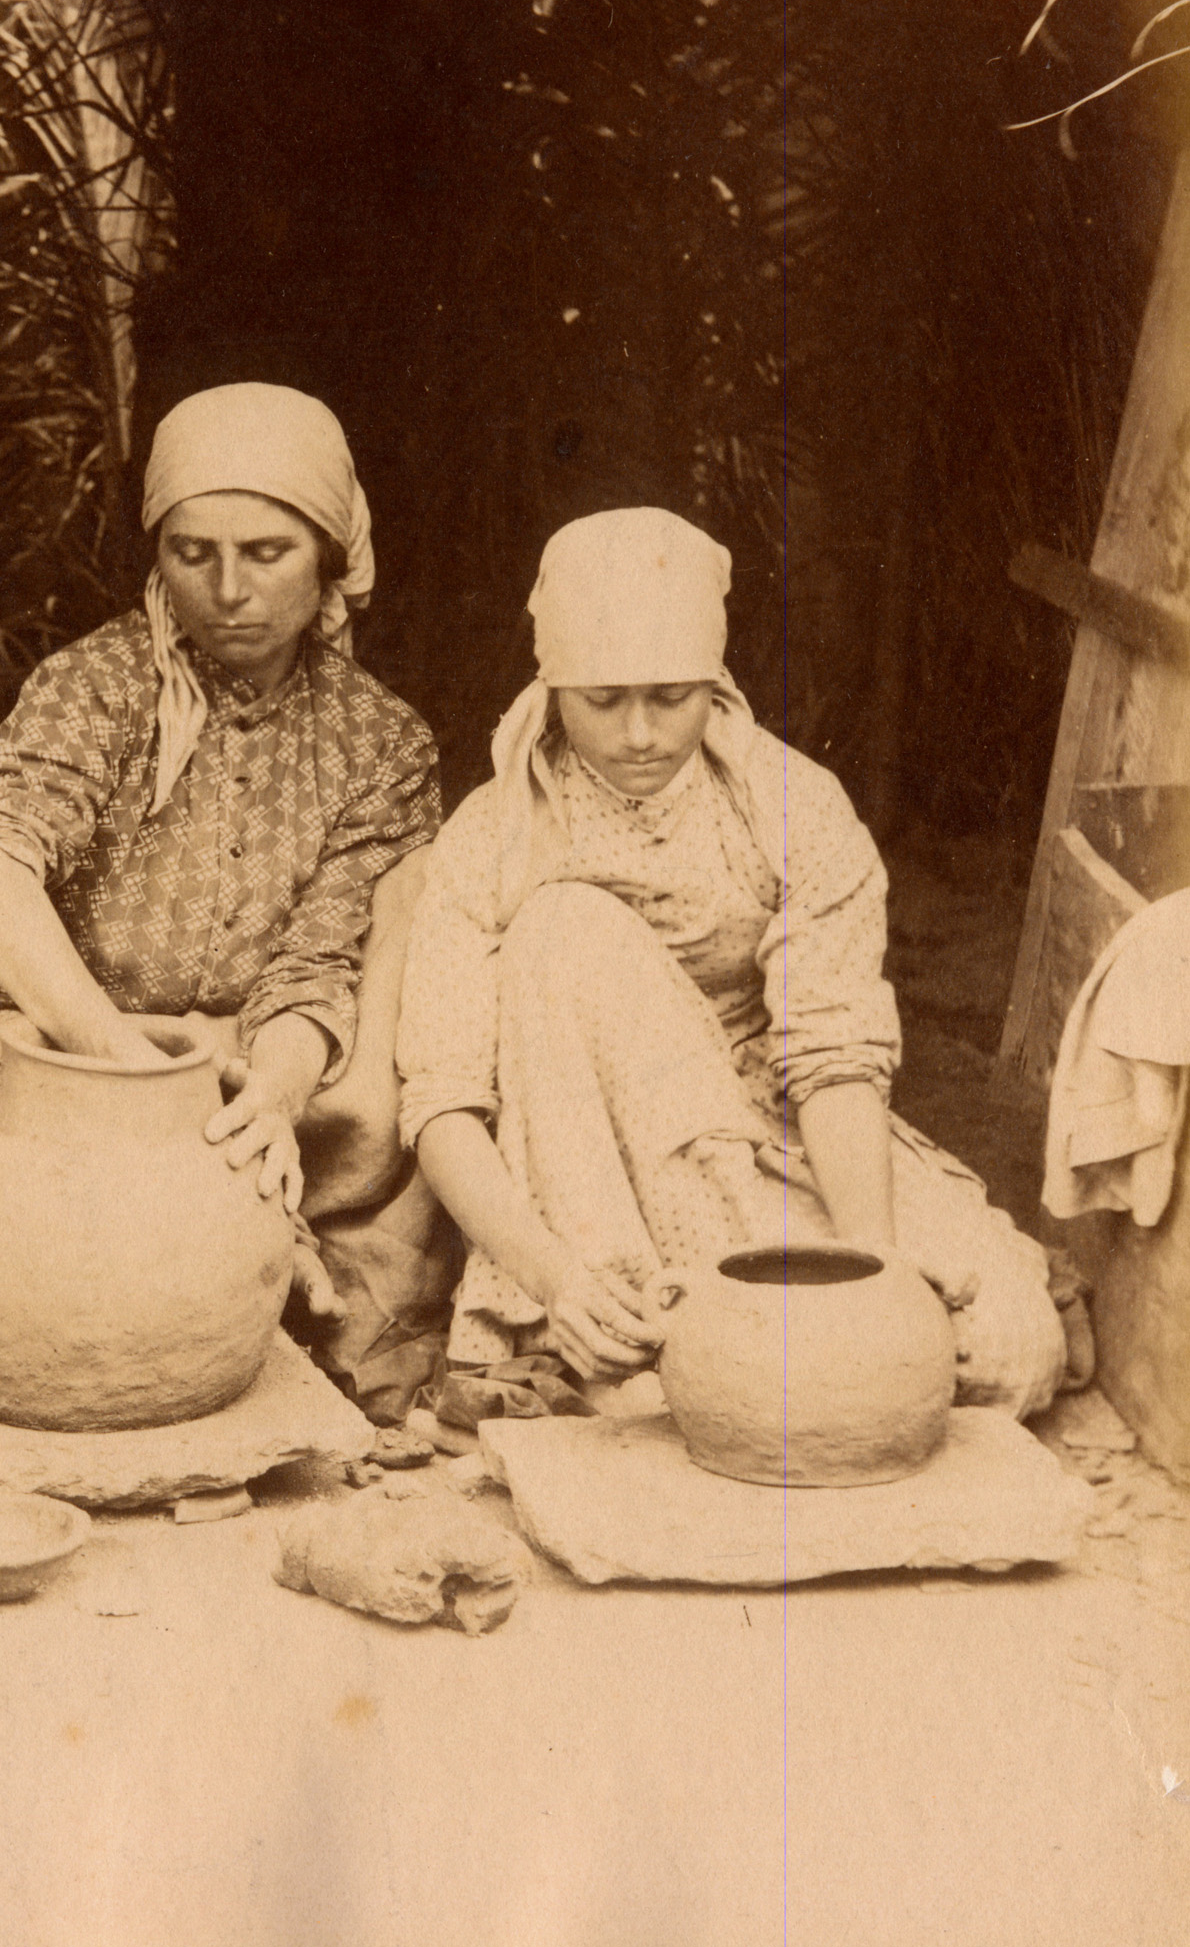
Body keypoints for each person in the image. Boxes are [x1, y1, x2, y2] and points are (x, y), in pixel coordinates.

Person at [0, 384, 445, 1375]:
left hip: (240, 1066)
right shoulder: (95, 685)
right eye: (192, 554)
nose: (227, 590)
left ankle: (100, 1238)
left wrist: (274, 1097)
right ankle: (214, 1241)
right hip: (39, 1042)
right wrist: (118, 1067)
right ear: (157, 553)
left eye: (266, 554)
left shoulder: (380, 741)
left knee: (371, 1117)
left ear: (328, 554)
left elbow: (319, 959)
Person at [397, 507, 1065, 1415]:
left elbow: (832, 1057)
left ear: (715, 681)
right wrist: (560, 1282)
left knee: (1008, 1353)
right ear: (552, 686)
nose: (640, 734)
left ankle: (746, 1349)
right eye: (604, 700)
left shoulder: (791, 805)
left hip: (771, 1134)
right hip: (587, 1180)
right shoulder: (491, 839)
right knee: (562, 927)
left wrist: (872, 1267)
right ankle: (639, 1337)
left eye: (672, 697)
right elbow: (442, 1105)